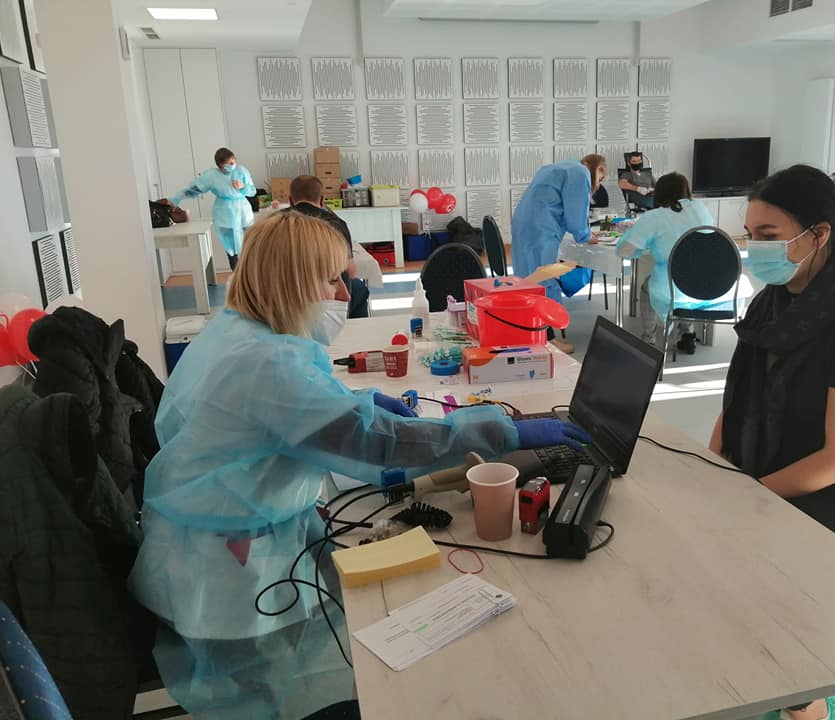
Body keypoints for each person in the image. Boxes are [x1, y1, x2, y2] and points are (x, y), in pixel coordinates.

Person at [128, 211, 587, 720]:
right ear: (290, 282)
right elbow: (381, 445)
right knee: (292, 699)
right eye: (332, 280)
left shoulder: (236, 331)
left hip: (209, 537)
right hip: (229, 577)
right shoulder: (269, 365)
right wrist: (506, 430)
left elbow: (294, 415)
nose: (345, 294)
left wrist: (358, 402)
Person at [710, 165, 835, 720]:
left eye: (768, 235)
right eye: (750, 234)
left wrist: (747, 496)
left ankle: (812, 706)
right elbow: (738, 400)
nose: (754, 248)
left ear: (818, 234)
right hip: (772, 468)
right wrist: (711, 467)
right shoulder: (772, 301)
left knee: (756, 575)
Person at [512, 154, 606, 354]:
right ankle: (546, 339)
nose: (598, 183)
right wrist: (586, 235)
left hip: (525, 222)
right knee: (543, 280)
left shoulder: (557, 167)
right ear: (596, 167)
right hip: (541, 227)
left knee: (527, 279)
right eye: (600, 177)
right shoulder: (580, 173)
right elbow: (576, 217)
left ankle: (531, 332)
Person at [616, 172, 716, 354]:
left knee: (648, 288)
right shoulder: (700, 208)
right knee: (687, 282)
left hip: (673, 281)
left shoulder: (656, 216)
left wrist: (644, 246)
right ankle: (687, 334)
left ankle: (648, 338)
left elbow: (625, 250)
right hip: (707, 279)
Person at [286, 174, 370, 319]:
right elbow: (350, 272)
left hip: (284, 299)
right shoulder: (334, 224)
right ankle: (354, 329)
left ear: (290, 200)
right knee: (358, 288)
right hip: (327, 302)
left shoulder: (273, 223)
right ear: (322, 199)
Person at [169, 147, 256, 270]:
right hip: (224, 213)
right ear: (219, 166)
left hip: (243, 211)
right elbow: (194, 190)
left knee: (249, 245)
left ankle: (250, 273)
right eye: (226, 166)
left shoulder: (242, 171)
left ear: (235, 159)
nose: (230, 167)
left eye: (232, 163)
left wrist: (243, 187)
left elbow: (252, 191)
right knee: (230, 248)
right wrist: (175, 199)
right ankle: (236, 273)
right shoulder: (212, 176)